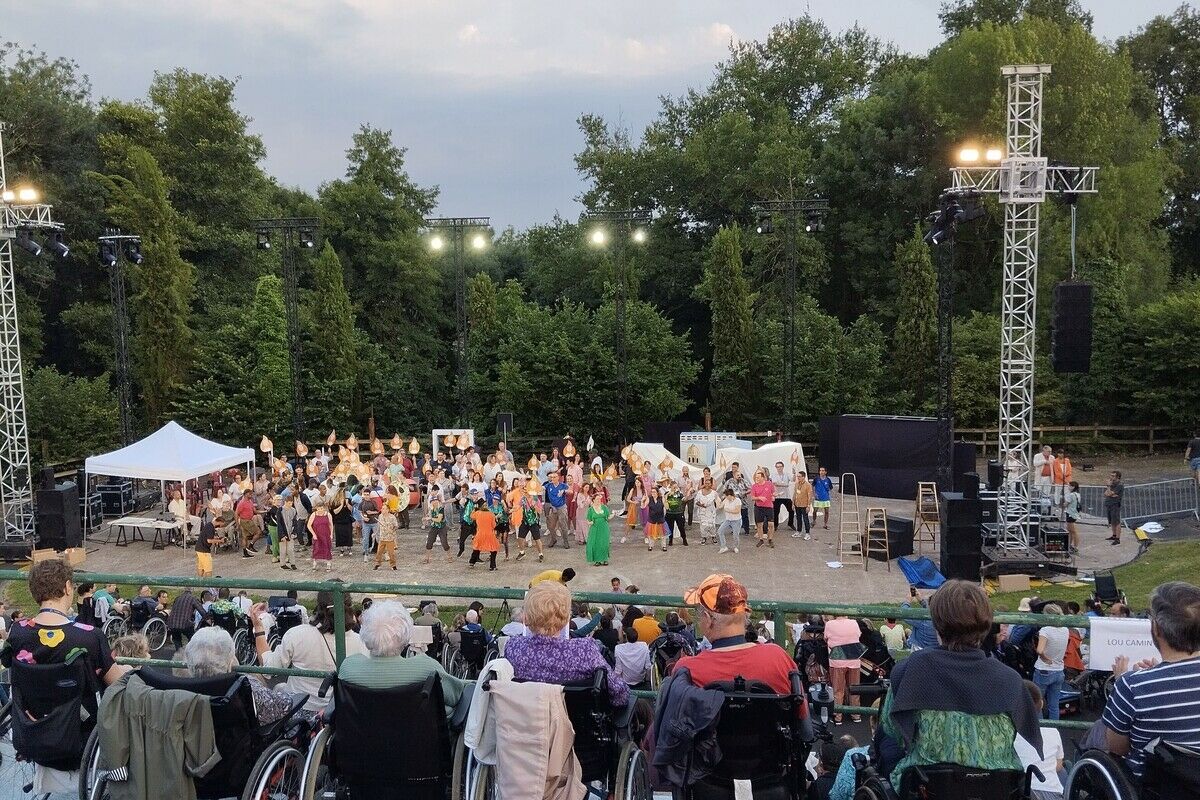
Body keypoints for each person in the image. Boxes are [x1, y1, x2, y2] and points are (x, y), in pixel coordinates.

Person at [881, 579, 1041, 789]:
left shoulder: (911, 669)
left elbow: (892, 729)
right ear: (985, 623)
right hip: (997, 788)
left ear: (937, 621)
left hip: (928, 787)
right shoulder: (1010, 678)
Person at [1100, 581, 1200, 781]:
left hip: (1153, 786)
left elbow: (1117, 747)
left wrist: (1123, 682)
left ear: (1156, 629)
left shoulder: (1131, 686)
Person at [674, 574, 807, 706]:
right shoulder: (778, 658)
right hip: (767, 726)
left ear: (707, 619)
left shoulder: (687, 670)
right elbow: (801, 714)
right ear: (745, 614)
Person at [337, 601, 469, 720]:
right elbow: (456, 695)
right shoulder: (427, 669)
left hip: (361, 741)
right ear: (406, 637)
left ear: (365, 634)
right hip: (419, 742)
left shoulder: (348, 668)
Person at [503, 581, 628, 706]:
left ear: (526, 619)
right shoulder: (585, 650)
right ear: (567, 618)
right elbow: (619, 693)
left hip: (527, 721)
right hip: (577, 723)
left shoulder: (513, 647)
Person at [253, 588, 367, 712]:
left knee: (278, 686)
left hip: (299, 709)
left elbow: (268, 668)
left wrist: (258, 628)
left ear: (318, 605)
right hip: (337, 711)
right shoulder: (362, 642)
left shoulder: (296, 634)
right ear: (349, 608)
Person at [186, 626, 292, 725]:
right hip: (243, 739)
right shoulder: (244, 685)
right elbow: (284, 705)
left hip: (203, 738)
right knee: (281, 687)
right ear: (230, 660)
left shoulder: (183, 689)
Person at [1014, 681, 1065, 800]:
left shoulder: (1009, 734)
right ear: (1041, 704)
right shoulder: (1053, 732)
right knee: (1064, 770)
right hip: (1050, 791)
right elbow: (1058, 765)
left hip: (1019, 790)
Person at [824, 615, 864, 725]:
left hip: (837, 660)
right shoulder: (854, 622)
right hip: (854, 659)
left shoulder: (829, 624)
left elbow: (826, 638)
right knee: (854, 689)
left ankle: (838, 716)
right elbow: (858, 635)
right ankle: (856, 714)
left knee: (838, 690)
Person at [1033, 604, 1068, 720]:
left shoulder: (1045, 630)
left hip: (1044, 669)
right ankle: (1054, 728)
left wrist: (1044, 657)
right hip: (1059, 669)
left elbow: (1039, 650)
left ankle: (1041, 727)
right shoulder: (1065, 629)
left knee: (1037, 701)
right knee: (1054, 705)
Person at [468, 497, 500, 571]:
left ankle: (472, 562)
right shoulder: (491, 514)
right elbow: (494, 526)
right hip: (489, 535)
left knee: (476, 548)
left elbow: (471, 516)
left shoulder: (478, 513)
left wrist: (475, 509)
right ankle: (492, 566)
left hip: (480, 534)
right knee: (493, 550)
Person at [722, 463, 751, 535]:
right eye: (738, 475)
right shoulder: (729, 481)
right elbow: (724, 489)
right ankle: (734, 530)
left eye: (740, 475)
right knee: (734, 517)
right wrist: (727, 495)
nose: (739, 476)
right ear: (734, 476)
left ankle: (746, 530)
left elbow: (750, 489)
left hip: (743, 502)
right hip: (733, 503)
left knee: (745, 516)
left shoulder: (743, 481)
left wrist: (745, 493)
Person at [544, 471, 570, 550]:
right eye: (551, 477)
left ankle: (565, 541)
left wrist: (564, 491)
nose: (553, 478)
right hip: (553, 507)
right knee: (551, 525)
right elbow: (540, 488)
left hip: (561, 507)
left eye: (554, 477)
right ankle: (553, 539)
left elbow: (571, 491)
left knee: (563, 525)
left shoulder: (563, 485)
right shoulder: (548, 485)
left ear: (558, 477)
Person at [750, 469, 776, 548]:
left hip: (769, 507)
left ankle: (770, 539)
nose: (756, 479)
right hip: (759, 508)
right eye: (756, 478)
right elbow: (752, 498)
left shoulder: (769, 484)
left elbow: (773, 492)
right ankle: (761, 540)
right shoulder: (754, 486)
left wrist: (774, 495)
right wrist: (759, 498)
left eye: (758, 477)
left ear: (763, 477)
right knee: (759, 524)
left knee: (771, 524)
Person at [586, 491, 613, 566]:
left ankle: (605, 559)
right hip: (594, 529)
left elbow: (608, 517)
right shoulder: (590, 509)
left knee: (604, 543)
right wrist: (590, 523)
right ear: (593, 500)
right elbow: (588, 520)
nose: (599, 501)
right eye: (597, 499)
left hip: (604, 528)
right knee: (595, 544)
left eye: (599, 499)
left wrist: (613, 515)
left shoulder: (604, 507)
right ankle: (597, 560)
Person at [307, 499, 334, 571]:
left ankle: (328, 564)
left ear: (324, 508)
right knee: (316, 548)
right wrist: (313, 534)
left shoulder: (328, 514)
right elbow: (309, 525)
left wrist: (331, 534)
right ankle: (315, 563)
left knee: (327, 548)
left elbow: (331, 525)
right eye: (318, 508)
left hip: (326, 534)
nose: (320, 510)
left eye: (321, 508)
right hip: (317, 535)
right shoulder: (313, 514)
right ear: (316, 508)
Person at [424, 495, 453, 563]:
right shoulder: (431, 509)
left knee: (444, 543)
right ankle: (427, 558)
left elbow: (439, 519)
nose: (435, 502)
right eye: (433, 501)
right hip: (434, 527)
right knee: (429, 542)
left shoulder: (441, 509)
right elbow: (429, 517)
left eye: (436, 500)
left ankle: (450, 556)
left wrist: (430, 518)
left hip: (442, 527)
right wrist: (425, 520)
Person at [771, 461, 796, 532]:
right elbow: (775, 484)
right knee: (776, 512)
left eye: (780, 466)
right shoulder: (774, 475)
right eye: (777, 467)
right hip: (777, 496)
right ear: (776, 467)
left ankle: (790, 524)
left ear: (783, 467)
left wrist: (794, 473)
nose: (779, 468)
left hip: (786, 496)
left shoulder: (787, 474)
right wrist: (786, 485)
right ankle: (775, 525)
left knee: (791, 510)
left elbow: (793, 480)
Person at [715, 488, 742, 554]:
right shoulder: (726, 500)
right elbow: (720, 507)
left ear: (729, 495)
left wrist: (728, 510)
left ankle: (735, 547)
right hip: (728, 520)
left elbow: (737, 511)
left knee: (735, 535)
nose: (725, 497)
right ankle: (723, 546)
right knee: (720, 531)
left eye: (726, 496)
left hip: (736, 521)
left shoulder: (737, 500)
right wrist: (716, 499)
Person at [692, 476, 718, 545]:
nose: (707, 485)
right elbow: (696, 501)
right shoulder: (700, 492)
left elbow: (718, 501)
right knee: (703, 525)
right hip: (702, 511)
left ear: (711, 484)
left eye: (709, 483)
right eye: (706, 483)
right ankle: (704, 537)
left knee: (712, 525)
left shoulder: (714, 493)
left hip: (711, 512)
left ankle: (713, 536)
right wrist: (701, 505)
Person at [374, 502, 399, 570]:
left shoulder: (392, 517)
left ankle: (393, 565)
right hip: (382, 537)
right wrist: (375, 533)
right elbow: (378, 526)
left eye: (384, 509)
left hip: (390, 538)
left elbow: (396, 526)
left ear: (388, 510)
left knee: (391, 553)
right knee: (379, 552)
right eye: (382, 508)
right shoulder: (380, 516)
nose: (382, 510)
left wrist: (392, 530)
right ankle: (377, 564)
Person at [235, 490, 260, 557]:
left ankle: (245, 553)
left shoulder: (250, 501)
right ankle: (250, 546)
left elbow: (255, 511)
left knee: (245, 537)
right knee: (258, 532)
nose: (251, 495)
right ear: (245, 494)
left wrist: (265, 511)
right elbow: (236, 513)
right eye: (250, 494)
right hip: (246, 521)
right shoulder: (242, 503)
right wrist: (237, 524)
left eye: (251, 494)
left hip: (247, 520)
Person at [331, 487, 354, 557]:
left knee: (348, 534)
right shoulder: (335, 501)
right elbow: (335, 512)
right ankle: (342, 549)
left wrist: (347, 504)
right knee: (340, 535)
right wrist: (341, 505)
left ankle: (349, 548)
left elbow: (351, 510)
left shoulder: (348, 500)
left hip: (347, 520)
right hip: (338, 520)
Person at [664, 480, 688, 546]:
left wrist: (688, 495)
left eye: (676, 487)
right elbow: (664, 500)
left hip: (679, 513)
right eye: (674, 487)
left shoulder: (679, 494)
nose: (675, 489)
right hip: (670, 513)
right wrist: (669, 493)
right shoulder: (667, 493)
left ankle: (684, 539)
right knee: (670, 527)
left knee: (681, 527)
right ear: (671, 486)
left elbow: (684, 499)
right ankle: (670, 540)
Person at [1104, 470, 1124, 545]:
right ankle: (1114, 535)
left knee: (1116, 522)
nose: (1111, 477)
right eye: (1111, 475)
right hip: (1109, 504)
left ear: (1117, 477)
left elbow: (1110, 493)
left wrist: (1109, 487)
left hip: (1115, 505)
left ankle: (1118, 538)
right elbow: (1106, 493)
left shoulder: (1119, 485)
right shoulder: (1112, 484)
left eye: (1113, 476)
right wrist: (1110, 493)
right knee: (1112, 521)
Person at [792, 470, 814, 540]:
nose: (798, 478)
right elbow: (795, 494)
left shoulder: (808, 485)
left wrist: (808, 505)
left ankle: (807, 533)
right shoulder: (796, 484)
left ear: (803, 477)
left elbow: (810, 496)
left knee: (805, 519)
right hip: (797, 504)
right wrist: (793, 503)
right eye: (797, 476)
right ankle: (799, 531)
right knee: (798, 518)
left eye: (799, 476)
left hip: (804, 505)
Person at [645, 486, 666, 552]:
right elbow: (644, 505)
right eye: (652, 492)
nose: (652, 493)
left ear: (657, 492)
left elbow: (666, 506)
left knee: (662, 534)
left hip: (660, 518)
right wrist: (643, 500)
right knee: (651, 534)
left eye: (654, 492)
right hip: (652, 519)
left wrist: (665, 498)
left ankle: (664, 546)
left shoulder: (661, 498)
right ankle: (650, 546)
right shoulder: (649, 498)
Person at [1063, 481, 1082, 555]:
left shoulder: (1071, 495)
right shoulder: (1077, 494)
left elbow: (1066, 504)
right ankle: (1070, 545)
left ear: (1073, 487)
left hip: (1070, 514)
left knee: (1073, 531)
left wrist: (1064, 503)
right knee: (1070, 530)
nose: (1068, 487)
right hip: (1074, 514)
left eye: (1070, 486)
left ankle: (1075, 547)